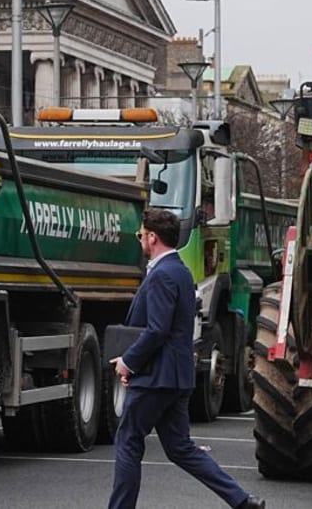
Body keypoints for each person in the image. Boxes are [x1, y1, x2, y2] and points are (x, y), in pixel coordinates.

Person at [109, 209, 265, 509]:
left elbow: (157, 330)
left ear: (152, 237)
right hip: (177, 376)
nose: (140, 238)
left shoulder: (161, 275)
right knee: (180, 448)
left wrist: (129, 362)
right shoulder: (180, 270)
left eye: (141, 234)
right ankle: (242, 501)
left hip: (155, 378)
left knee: (128, 441)